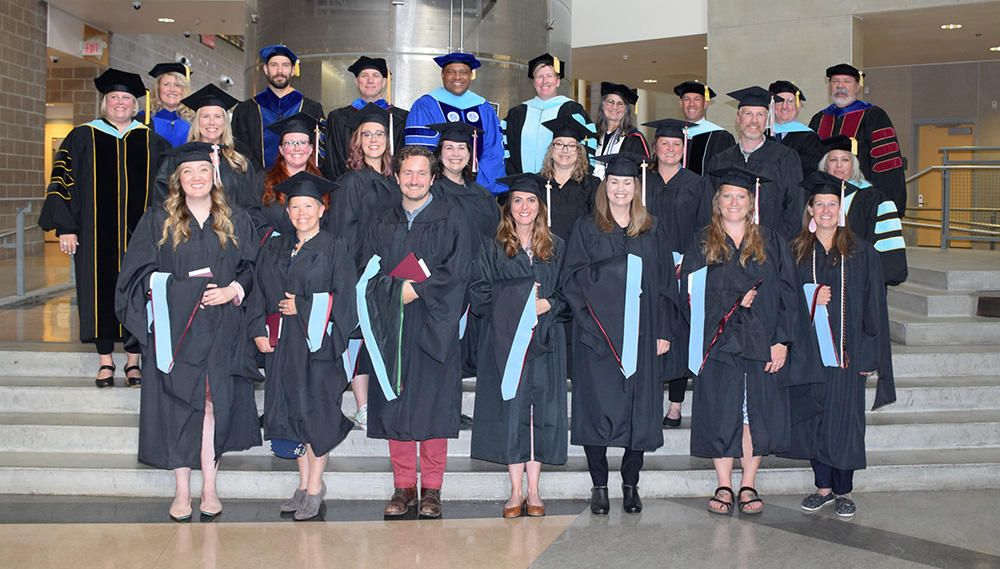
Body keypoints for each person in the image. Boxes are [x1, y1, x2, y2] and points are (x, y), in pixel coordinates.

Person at [115, 141, 261, 523]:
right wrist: (181, 291)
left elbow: (252, 266)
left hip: (222, 326)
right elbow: (136, 274)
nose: (196, 178)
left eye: (203, 171)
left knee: (213, 405)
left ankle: (209, 486)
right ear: (177, 179)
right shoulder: (156, 220)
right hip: (176, 326)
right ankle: (182, 490)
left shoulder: (237, 219)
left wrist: (233, 289)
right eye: (188, 172)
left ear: (215, 176)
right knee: (179, 405)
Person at [561, 153, 684, 515]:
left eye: (627, 183)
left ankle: (631, 484)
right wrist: (594, 317)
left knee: (640, 410)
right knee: (594, 410)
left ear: (636, 188)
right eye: (613, 182)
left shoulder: (652, 228)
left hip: (644, 335)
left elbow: (665, 283)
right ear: (605, 186)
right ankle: (599, 485)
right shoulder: (587, 228)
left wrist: (664, 330)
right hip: (597, 336)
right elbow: (572, 280)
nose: (620, 189)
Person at [681, 166, 806, 516]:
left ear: (751, 203)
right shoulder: (701, 241)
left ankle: (748, 482)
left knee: (755, 413)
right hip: (717, 341)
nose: (733, 202)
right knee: (721, 410)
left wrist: (782, 340)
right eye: (727, 196)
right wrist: (733, 296)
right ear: (717, 202)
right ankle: (723, 483)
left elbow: (788, 292)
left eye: (741, 197)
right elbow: (689, 291)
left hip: (762, 341)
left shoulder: (771, 240)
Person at [357, 145, 472, 518]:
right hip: (393, 325)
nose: (414, 180)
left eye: (422, 173)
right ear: (396, 176)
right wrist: (394, 291)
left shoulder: (451, 217)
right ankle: (404, 486)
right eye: (407, 173)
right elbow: (365, 273)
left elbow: (458, 272)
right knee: (396, 403)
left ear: (433, 178)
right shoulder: (381, 220)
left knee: (434, 406)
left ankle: (433, 490)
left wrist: (417, 290)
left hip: (434, 324)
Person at [39, 68, 170, 388]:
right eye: (114, 97)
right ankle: (105, 360)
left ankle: (134, 361)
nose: (121, 103)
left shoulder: (152, 141)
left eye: (126, 97)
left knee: (140, 291)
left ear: (135, 103)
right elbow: (61, 182)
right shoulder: (81, 136)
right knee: (98, 293)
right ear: (104, 102)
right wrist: (66, 227)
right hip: (94, 234)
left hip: (143, 235)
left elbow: (168, 190)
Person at [785, 170, 896, 518]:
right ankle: (822, 489)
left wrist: (869, 352)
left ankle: (844, 490)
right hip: (811, 354)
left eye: (832, 204)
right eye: (819, 204)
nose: (826, 210)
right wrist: (811, 297)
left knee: (845, 421)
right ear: (811, 210)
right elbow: (783, 300)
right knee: (814, 419)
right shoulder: (797, 250)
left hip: (849, 356)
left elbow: (874, 306)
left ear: (841, 208)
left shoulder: (861, 251)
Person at [247, 172, 357, 521]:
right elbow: (258, 292)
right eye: (295, 207)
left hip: (318, 346)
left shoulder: (335, 246)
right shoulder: (275, 246)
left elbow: (346, 300)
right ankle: (302, 482)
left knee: (317, 414)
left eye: (308, 206)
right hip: (282, 344)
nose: (301, 213)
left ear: (322, 209)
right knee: (292, 412)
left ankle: (315, 486)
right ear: (288, 210)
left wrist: (304, 305)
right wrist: (256, 328)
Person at [469, 173, 568, 518]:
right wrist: (517, 303)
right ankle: (515, 492)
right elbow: (479, 294)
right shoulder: (492, 247)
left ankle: (535, 490)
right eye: (517, 201)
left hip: (545, 340)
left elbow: (571, 294)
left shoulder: (556, 247)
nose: (524, 207)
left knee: (540, 411)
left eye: (531, 200)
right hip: (505, 342)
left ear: (540, 206)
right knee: (512, 412)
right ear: (508, 207)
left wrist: (548, 305)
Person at [328, 102, 398, 429]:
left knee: (380, 337)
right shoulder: (350, 181)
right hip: (359, 271)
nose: (374, 140)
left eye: (380, 133)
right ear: (357, 141)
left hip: (390, 272)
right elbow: (342, 232)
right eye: (366, 134)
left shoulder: (396, 179)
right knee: (358, 335)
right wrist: (349, 275)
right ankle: (362, 405)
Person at [641, 118, 714, 429]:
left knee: (680, 333)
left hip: (684, 268)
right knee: (650, 329)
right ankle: (648, 400)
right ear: (655, 148)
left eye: (676, 144)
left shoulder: (697, 183)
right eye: (664, 144)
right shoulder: (643, 180)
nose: (669, 149)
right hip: (647, 267)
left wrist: (687, 261)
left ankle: (675, 405)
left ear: (683, 149)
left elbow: (705, 227)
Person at [706, 86, 804, 241]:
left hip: (771, 246)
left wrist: (777, 246)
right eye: (748, 114)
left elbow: (794, 209)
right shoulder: (720, 160)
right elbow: (710, 207)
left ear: (767, 119)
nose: (754, 121)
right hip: (727, 245)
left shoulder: (785, 157)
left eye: (760, 115)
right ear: (738, 118)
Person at [809, 63, 907, 214]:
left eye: (847, 81)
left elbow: (887, 167)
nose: (840, 86)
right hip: (825, 203)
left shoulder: (874, 116)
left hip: (862, 203)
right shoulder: (819, 119)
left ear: (858, 87)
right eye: (835, 81)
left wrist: (884, 205)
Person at [404, 52, 505, 195]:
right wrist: (443, 185)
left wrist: (478, 188)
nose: (457, 77)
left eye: (463, 72)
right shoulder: (426, 105)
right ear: (442, 75)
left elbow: (493, 151)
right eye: (451, 72)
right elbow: (420, 150)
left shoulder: (484, 108)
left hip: (477, 191)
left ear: (471, 75)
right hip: (438, 191)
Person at [820, 135, 907, 286]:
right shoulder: (813, 196)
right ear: (825, 165)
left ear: (854, 165)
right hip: (822, 278)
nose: (839, 165)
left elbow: (887, 248)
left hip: (861, 280)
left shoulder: (873, 198)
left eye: (845, 160)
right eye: (833, 160)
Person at [152, 84, 254, 207]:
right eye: (205, 116)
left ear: (225, 122)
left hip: (233, 225)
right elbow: (163, 201)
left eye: (217, 116)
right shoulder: (176, 159)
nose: (211, 122)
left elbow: (251, 206)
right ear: (197, 121)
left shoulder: (239, 163)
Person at [232, 44, 325, 170]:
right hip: (258, 184)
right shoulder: (247, 109)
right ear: (266, 69)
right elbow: (241, 151)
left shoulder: (311, 109)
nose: (279, 71)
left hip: (300, 182)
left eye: (285, 65)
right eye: (274, 65)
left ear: (293, 70)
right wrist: (260, 178)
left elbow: (319, 151)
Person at [503, 53, 595, 175]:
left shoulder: (572, 110)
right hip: (523, 184)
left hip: (561, 185)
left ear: (557, 81)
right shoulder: (517, 114)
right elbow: (505, 149)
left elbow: (586, 147)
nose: (544, 81)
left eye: (549, 76)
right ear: (534, 82)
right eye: (539, 76)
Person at [242, 112, 327, 239]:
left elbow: (328, 222)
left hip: (311, 253)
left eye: (302, 143)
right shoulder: (262, 180)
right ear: (281, 149)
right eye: (290, 143)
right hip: (270, 249)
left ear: (310, 149)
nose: (296, 148)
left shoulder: (321, 184)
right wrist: (274, 238)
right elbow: (250, 214)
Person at [323, 56, 408, 180]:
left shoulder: (399, 118)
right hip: (350, 189)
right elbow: (334, 161)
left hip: (390, 188)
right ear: (356, 82)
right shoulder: (338, 118)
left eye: (375, 75)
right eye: (364, 76)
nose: (370, 81)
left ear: (384, 82)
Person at [537, 115, 600, 240]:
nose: (565, 150)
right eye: (559, 144)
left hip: (578, 254)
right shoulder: (537, 182)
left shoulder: (591, 185)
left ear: (579, 151)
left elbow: (596, 225)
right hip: (541, 252)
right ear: (551, 149)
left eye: (571, 145)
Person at [672, 81, 735, 176]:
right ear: (681, 103)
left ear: (705, 104)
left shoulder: (720, 137)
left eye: (697, 99)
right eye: (687, 99)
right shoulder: (672, 134)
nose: (691, 104)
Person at [768, 80, 824, 180]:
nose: (784, 106)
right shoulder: (763, 134)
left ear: (798, 106)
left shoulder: (809, 137)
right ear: (772, 106)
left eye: (790, 101)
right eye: (779, 101)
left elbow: (810, 170)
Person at [593, 82, 649, 179]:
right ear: (602, 105)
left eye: (620, 104)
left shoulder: (634, 138)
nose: (614, 107)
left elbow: (642, 171)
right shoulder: (592, 134)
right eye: (610, 101)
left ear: (626, 110)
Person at [141, 62, 193, 147]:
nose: (172, 89)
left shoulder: (194, 119)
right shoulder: (143, 119)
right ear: (158, 89)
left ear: (184, 89)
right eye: (166, 84)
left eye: (177, 85)